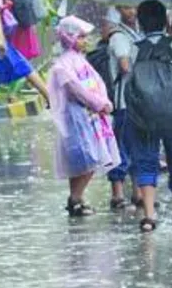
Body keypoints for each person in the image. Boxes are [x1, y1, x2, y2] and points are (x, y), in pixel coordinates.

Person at [125, 0, 172, 232]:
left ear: (140, 22)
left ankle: (149, 215)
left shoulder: (134, 47)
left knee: (146, 160)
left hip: (143, 114)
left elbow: (124, 72)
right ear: (165, 21)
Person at [48, 16, 119, 217]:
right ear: (69, 38)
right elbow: (76, 89)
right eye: (81, 37)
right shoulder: (63, 65)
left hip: (91, 116)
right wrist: (99, 103)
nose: (85, 41)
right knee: (88, 157)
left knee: (86, 157)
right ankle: (75, 197)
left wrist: (103, 101)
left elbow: (97, 83)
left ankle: (76, 198)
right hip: (78, 117)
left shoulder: (79, 60)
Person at [103, 5, 139, 210]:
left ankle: (137, 191)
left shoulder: (136, 34)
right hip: (124, 101)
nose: (131, 12)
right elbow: (124, 65)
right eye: (126, 8)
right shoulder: (118, 36)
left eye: (133, 8)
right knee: (120, 147)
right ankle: (117, 193)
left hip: (137, 100)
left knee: (137, 146)